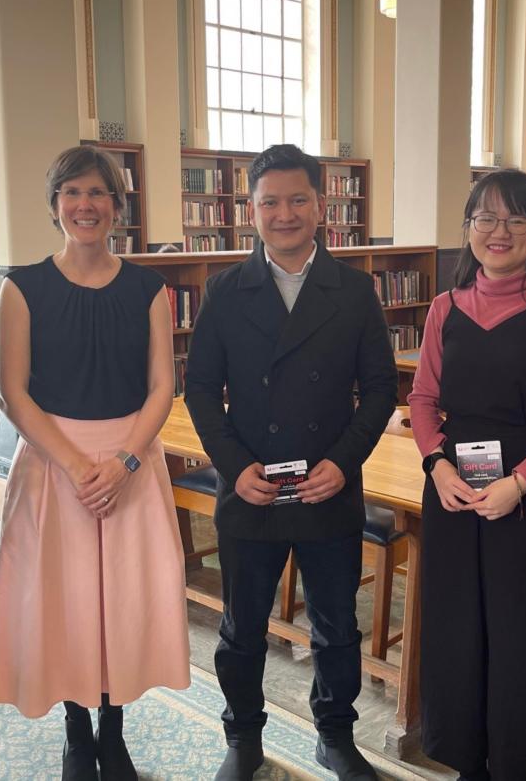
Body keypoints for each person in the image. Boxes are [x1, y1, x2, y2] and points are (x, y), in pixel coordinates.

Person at [184, 143, 398, 781]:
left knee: (337, 628)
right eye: (270, 201)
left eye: (297, 199)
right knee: (241, 627)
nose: (285, 213)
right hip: (248, 489)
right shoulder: (223, 289)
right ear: (250, 210)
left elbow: (382, 388)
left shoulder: (355, 290)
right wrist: (232, 466)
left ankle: (334, 735)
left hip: (328, 487)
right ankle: (243, 738)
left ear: (320, 205)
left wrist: (344, 461)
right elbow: (199, 388)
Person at [0, 145, 190, 780]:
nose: (85, 205)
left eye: (97, 193)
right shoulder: (22, 288)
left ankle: (114, 731)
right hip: (54, 463)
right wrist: (75, 466)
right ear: (55, 206)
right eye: (72, 193)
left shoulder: (149, 288)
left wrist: (125, 460)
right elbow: (13, 391)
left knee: (123, 603)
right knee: (66, 603)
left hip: (131, 459)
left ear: (116, 206)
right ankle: (77, 732)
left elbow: (163, 386)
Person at [408, 171, 526, 780]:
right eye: (485, 219)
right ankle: (465, 758)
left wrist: (522, 482)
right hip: (454, 491)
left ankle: (515, 761)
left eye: (516, 220)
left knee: (518, 633)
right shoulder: (444, 307)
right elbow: (422, 399)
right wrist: (436, 464)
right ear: (467, 229)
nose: (499, 232)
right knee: (455, 628)